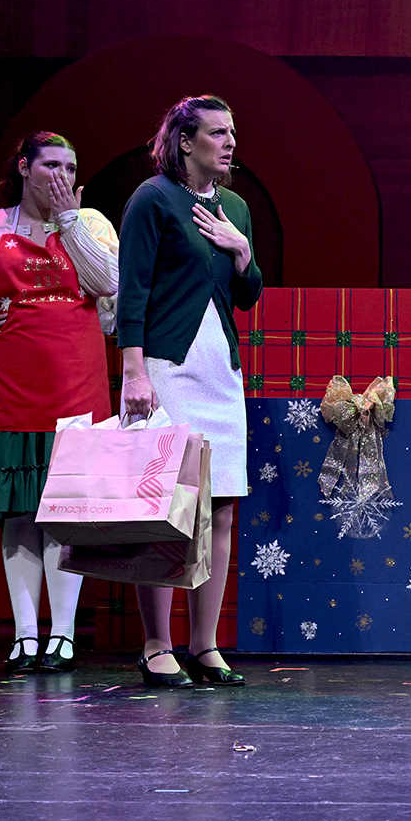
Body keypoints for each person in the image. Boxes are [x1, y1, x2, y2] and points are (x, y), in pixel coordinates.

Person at [0, 132, 118, 674]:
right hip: (6, 388)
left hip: (76, 387)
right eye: (51, 165)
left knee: (64, 513)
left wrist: (70, 222)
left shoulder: (91, 224)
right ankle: (26, 636)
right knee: (20, 513)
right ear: (24, 168)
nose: (62, 176)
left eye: (70, 167)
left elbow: (109, 284)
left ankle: (63, 636)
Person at [119, 96, 262, 688]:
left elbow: (247, 296)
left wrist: (242, 250)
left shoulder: (236, 207)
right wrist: (133, 371)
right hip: (165, 369)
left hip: (219, 371)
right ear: (185, 140)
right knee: (165, 511)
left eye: (232, 133)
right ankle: (158, 645)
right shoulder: (153, 199)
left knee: (220, 507)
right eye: (217, 133)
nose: (230, 143)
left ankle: (205, 645)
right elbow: (132, 289)